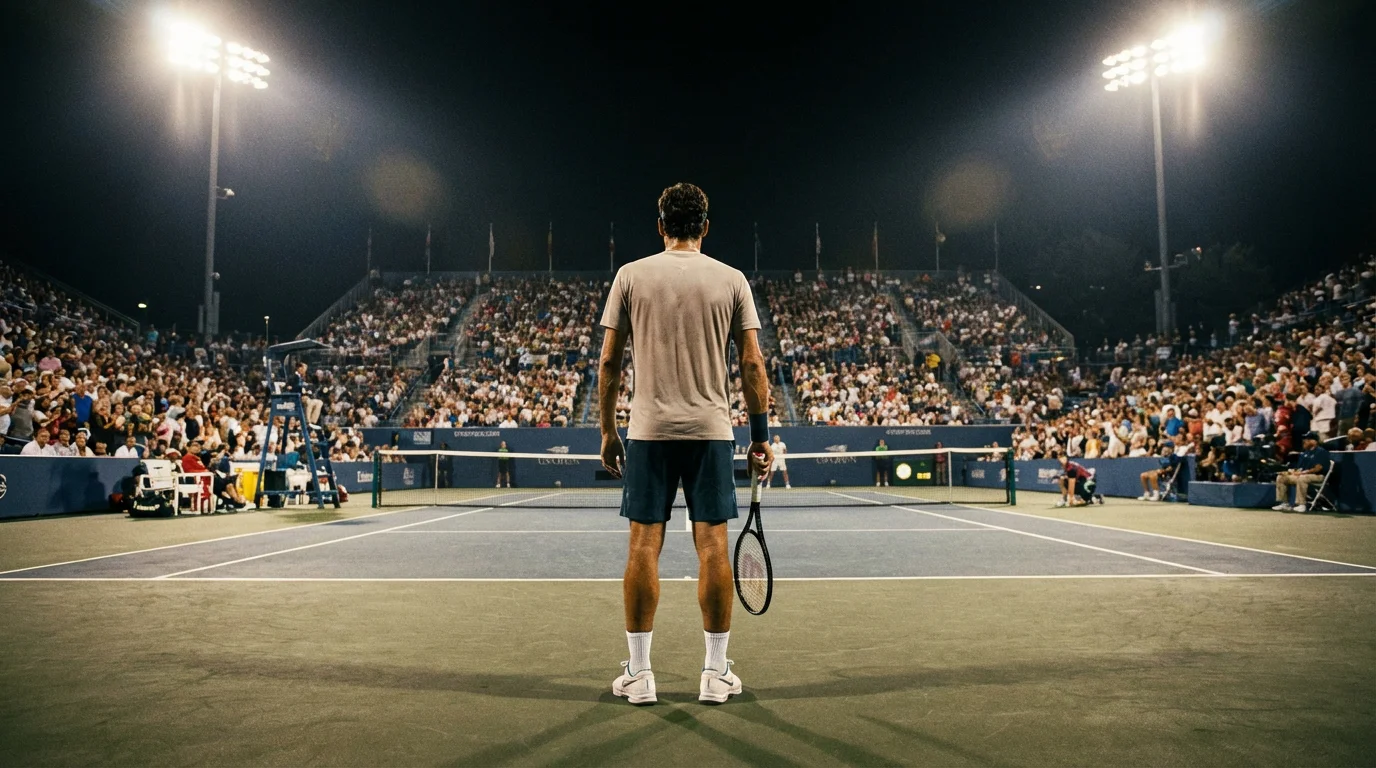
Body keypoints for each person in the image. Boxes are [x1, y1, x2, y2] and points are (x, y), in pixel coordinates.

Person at [598, 182, 771, 706]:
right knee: (713, 548)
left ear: (660, 226)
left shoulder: (630, 275)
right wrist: (759, 438)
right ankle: (715, 675)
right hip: (710, 433)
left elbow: (608, 364)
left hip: (648, 433)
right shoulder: (732, 279)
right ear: (705, 227)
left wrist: (608, 431)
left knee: (642, 547)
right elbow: (752, 365)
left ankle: (640, 675)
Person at [1273, 432, 1331, 513]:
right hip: (1303, 475)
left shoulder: (1321, 452)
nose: (1304, 441)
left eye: (1307, 440)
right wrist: (1290, 472)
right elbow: (1299, 469)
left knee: (1302, 478)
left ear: (1314, 441)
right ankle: (1284, 503)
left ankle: (1302, 504)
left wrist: (1303, 473)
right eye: (1305, 439)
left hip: (1318, 476)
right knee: (1281, 477)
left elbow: (1318, 468)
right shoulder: (1304, 453)